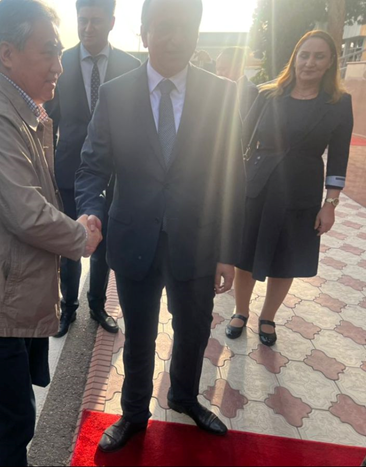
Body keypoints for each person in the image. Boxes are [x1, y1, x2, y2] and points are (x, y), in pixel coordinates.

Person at [0, 1, 102, 465]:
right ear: (7, 53)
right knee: (10, 423)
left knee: (11, 420)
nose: (58, 66)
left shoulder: (21, 113)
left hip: (3, 294)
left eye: (59, 52)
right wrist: (80, 237)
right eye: (49, 51)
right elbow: (25, 211)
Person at [75, 0, 245, 452]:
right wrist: (90, 211)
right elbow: (92, 166)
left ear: (197, 33)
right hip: (134, 238)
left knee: (194, 329)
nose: (174, 38)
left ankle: (184, 396)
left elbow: (231, 177)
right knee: (139, 334)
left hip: (197, 240)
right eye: (164, 27)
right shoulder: (115, 94)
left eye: (185, 28)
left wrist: (227, 250)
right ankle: (134, 414)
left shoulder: (221, 95)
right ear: (144, 32)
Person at [227, 30, 353, 347]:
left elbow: (339, 157)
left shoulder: (339, 103)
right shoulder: (267, 94)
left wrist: (330, 204)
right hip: (258, 184)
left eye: (319, 56)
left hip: (302, 190)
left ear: (330, 63)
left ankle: (267, 316)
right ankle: (240, 310)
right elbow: (239, 140)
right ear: (294, 58)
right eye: (304, 55)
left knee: (286, 257)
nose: (310, 63)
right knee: (245, 253)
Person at [45, 0, 140, 338]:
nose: (88, 28)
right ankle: (68, 307)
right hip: (70, 173)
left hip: (116, 176)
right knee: (70, 243)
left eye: (96, 21)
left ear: (112, 22)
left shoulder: (131, 67)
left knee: (104, 245)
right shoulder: (61, 63)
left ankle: (97, 305)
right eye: (82, 20)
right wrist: (46, 169)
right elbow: (49, 121)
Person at [216, 46, 259, 118]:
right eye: (217, 69)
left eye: (223, 69)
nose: (218, 74)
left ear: (239, 67)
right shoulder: (223, 89)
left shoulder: (249, 91)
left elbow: (241, 122)